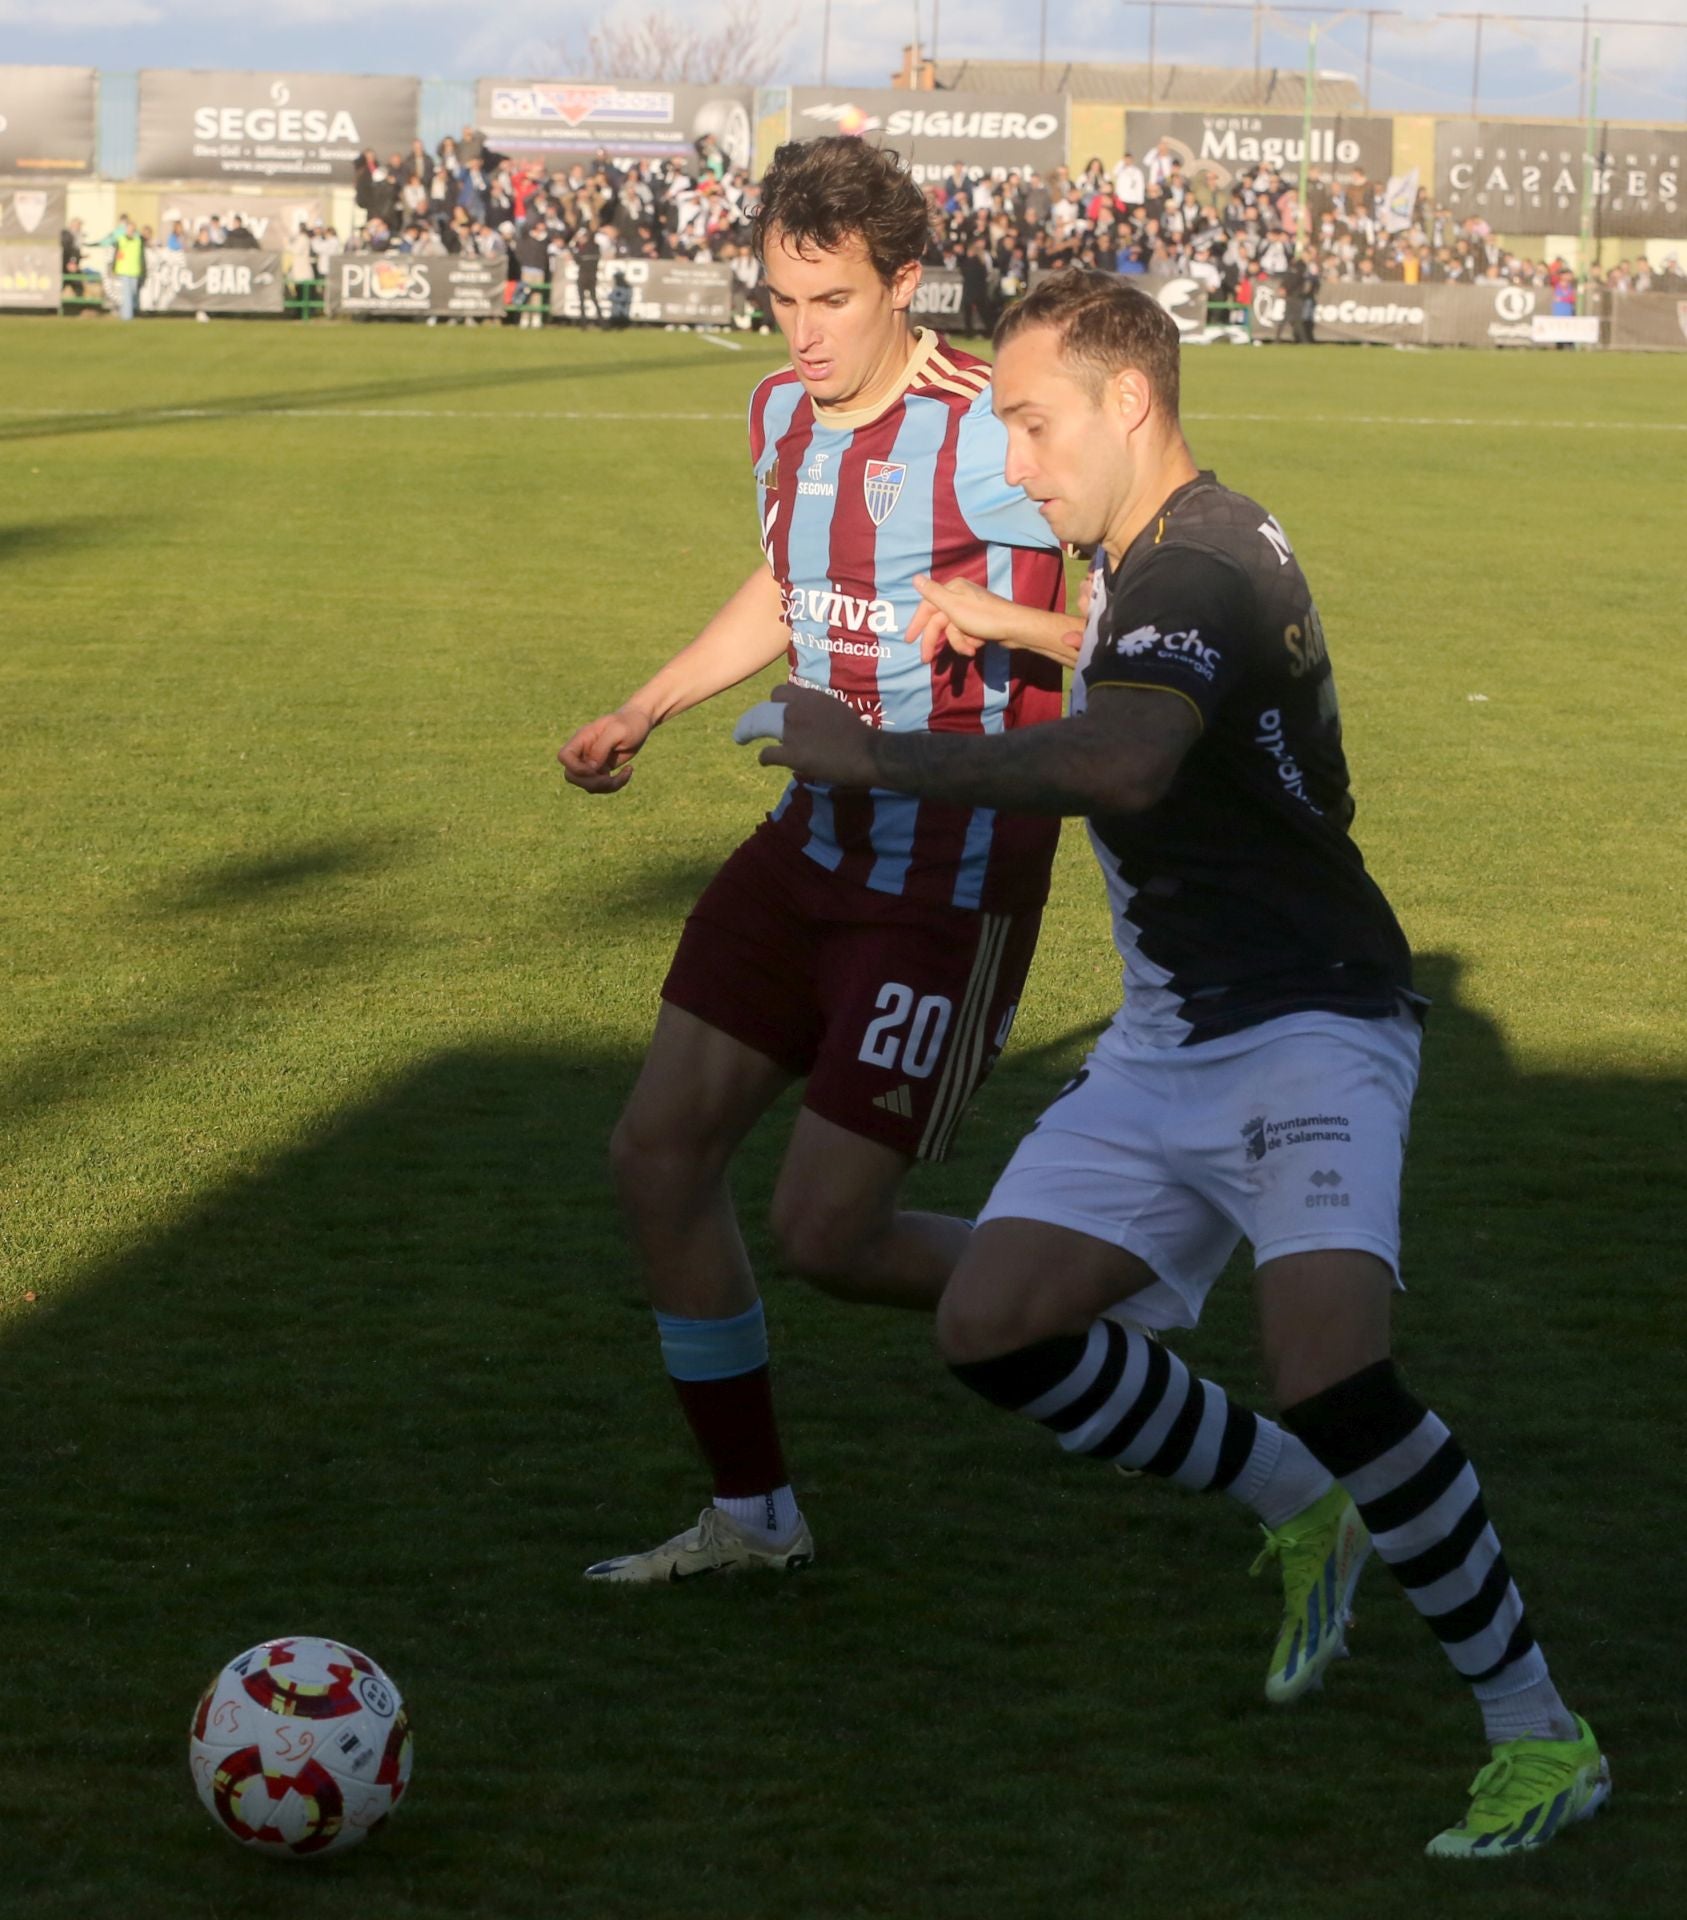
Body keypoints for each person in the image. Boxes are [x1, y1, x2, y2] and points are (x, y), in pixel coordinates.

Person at [748, 269, 1608, 1860]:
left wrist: (872, 750)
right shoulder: (1167, 555)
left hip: (1306, 1021)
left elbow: (1132, 755)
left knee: (1331, 1366)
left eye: (1031, 419)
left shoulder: (1195, 569)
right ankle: (1305, 1504)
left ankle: (1539, 1732)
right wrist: (1013, 622)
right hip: (1166, 1040)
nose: (1014, 459)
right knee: (992, 1323)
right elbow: (1134, 671)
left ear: (1127, 400)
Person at [558, 136, 1071, 1585]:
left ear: (906, 282)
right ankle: (754, 1515)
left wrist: (1020, 625)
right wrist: (646, 706)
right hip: (807, 845)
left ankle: (1094, 1284)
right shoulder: (780, 410)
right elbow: (789, 590)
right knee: (655, 1157)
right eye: (780, 297)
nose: (801, 332)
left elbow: (1147, 628)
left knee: (830, 1237)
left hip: (946, 877)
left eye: (831, 300)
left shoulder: (997, 427)